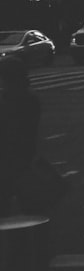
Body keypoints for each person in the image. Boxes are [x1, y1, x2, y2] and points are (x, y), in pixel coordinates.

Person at [0, 57, 41, 217]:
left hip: (10, 157)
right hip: (24, 156)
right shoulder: (29, 97)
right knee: (30, 203)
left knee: (6, 200)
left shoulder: (13, 99)